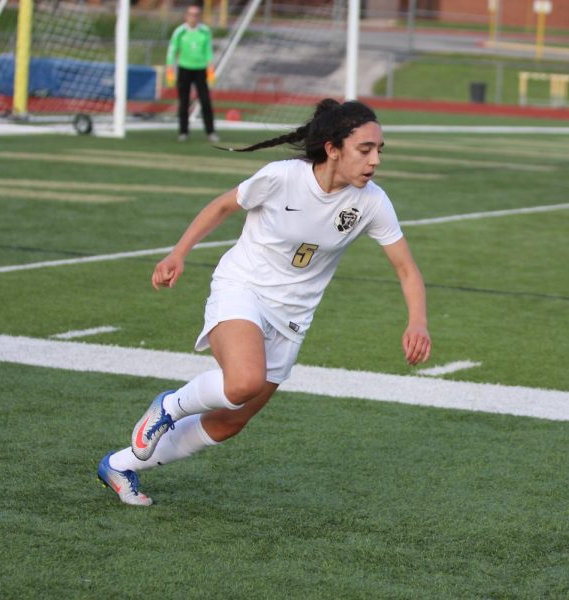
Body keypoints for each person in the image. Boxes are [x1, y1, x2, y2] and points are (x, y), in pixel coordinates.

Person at [97, 99, 432, 505]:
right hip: (243, 288)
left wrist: (418, 322)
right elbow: (223, 205)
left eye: (380, 150)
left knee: (229, 423)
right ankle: (169, 405)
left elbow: (407, 269)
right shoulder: (281, 178)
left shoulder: (372, 202)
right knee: (243, 382)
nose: (375, 160)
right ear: (332, 148)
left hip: (293, 319)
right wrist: (177, 253)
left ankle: (121, 464)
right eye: (365, 149)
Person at [166, 4, 218, 143]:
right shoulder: (180, 31)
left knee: (205, 101)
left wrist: (210, 71)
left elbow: (208, 51)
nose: (193, 17)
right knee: (184, 101)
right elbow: (172, 50)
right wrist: (170, 70)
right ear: (186, 16)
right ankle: (183, 132)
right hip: (184, 69)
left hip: (200, 70)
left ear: (199, 17)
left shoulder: (205, 31)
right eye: (190, 14)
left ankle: (211, 132)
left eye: (196, 15)